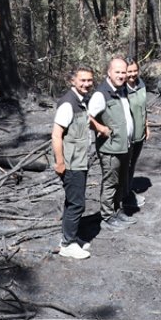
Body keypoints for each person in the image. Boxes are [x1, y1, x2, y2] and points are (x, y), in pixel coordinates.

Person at [51, 66, 100, 258]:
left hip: (79, 160)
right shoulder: (68, 104)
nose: (87, 84)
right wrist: (60, 162)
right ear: (73, 81)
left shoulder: (81, 101)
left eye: (89, 80)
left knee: (72, 201)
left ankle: (70, 236)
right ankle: (67, 245)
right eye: (83, 80)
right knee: (77, 203)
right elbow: (56, 135)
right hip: (71, 163)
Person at [90, 57, 136, 228]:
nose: (121, 75)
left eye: (123, 72)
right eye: (117, 72)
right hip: (110, 148)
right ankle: (107, 217)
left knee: (121, 181)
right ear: (109, 72)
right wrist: (101, 129)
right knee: (111, 182)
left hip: (124, 146)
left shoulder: (122, 90)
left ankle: (117, 211)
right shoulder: (101, 94)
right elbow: (87, 117)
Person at [124, 59, 149, 210]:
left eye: (135, 70)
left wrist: (147, 125)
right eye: (129, 71)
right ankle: (124, 196)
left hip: (140, 133)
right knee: (124, 166)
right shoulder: (121, 89)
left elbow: (143, 107)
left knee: (132, 164)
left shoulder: (141, 84)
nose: (133, 74)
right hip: (127, 135)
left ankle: (127, 191)